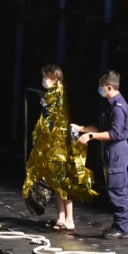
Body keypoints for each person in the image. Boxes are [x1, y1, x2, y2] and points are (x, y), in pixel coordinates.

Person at [22, 64, 97, 232]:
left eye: (46, 78)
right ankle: (61, 216)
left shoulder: (58, 93)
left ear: (54, 78)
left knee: (62, 182)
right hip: (52, 144)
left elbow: (55, 119)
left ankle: (69, 218)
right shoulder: (52, 94)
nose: (44, 81)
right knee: (54, 182)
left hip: (59, 145)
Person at [73, 69, 128, 240]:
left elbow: (113, 133)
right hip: (110, 151)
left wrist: (90, 136)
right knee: (113, 188)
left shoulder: (119, 107)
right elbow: (101, 125)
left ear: (108, 87)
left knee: (118, 189)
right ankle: (118, 225)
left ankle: (122, 227)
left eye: (101, 87)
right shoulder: (110, 105)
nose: (100, 90)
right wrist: (83, 129)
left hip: (117, 151)